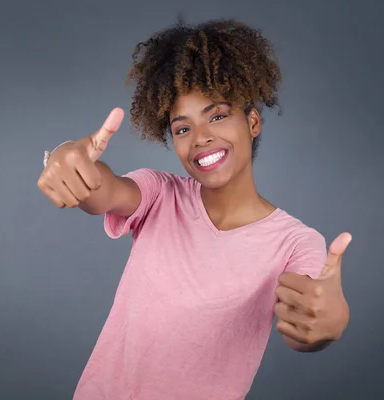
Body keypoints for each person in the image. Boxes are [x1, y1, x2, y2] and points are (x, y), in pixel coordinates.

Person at [37, 18, 352, 400]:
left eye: (217, 115)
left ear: (252, 121)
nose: (201, 138)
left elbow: (304, 322)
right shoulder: (160, 195)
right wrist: (67, 160)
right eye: (182, 129)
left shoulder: (296, 243)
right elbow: (103, 191)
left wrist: (329, 324)